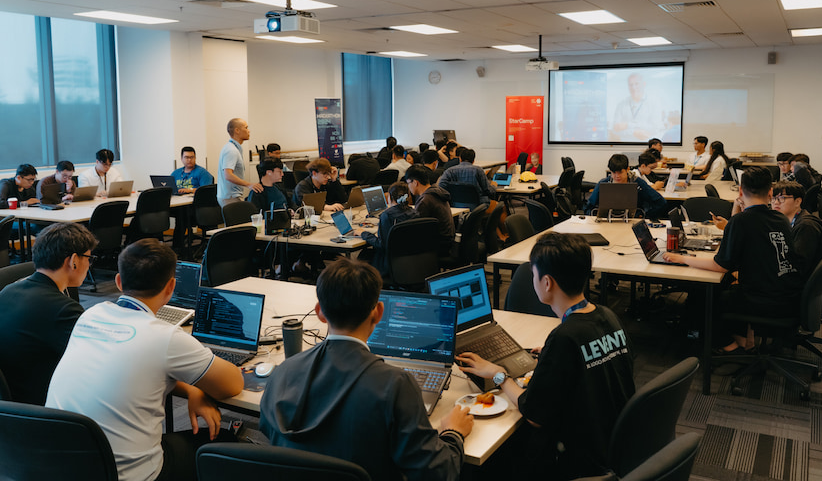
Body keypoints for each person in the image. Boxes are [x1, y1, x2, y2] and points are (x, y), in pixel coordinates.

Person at [259, 257, 473, 481]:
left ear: (320, 312)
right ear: (379, 312)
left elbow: (266, 429)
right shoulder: (396, 384)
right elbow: (439, 474)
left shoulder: (283, 371)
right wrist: (453, 433)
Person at [46, 239, 244, 481]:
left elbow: (138, 373)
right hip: (129, 476)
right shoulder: (166, 337)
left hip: (61, 468)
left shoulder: (90, 315)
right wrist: (197, 387)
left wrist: (192, 390)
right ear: (171, 287)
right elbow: (232, 385)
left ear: (118, 282)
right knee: (223, 441)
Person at [458, 233, 634, 478]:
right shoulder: (607, 316)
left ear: (547, 283)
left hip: (580, 461)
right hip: (615, 445)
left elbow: (534, 415)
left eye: (533, 275)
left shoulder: (564, 337)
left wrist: (499, 375)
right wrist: (552, 357)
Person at [663, 167, 804, 354]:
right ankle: (745, 338)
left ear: (740, 191)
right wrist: (737, 211)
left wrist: (681, 258)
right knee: (726, 284)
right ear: (770, 192)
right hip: (786, 291)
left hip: (763, 299)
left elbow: (720, 265)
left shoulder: (742, 222)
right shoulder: (779, 218)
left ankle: (727, 344)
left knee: (705, 293)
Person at [0, 222, 96, 405]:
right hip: (35, 411)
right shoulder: (62, 309)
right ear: (73, 261)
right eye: (89, 258)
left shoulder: (6, 291)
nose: (89, 264)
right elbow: (94, 361)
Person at [772, 180, 822, 278]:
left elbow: (799, 265)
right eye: (773, 198)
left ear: (797, 201)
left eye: (781, 198)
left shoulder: (806, 226)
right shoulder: (789, 221)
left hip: (801, 282)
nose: (776, 203)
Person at [360, 181, 419, 277]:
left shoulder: (387, 215)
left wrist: (364, 234)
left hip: (389, 264)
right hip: (412, 261)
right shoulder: (414, 212)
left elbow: (381, 244)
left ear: (389, 197)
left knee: (363, 255)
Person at [585, 154, 667, 218]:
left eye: (620, 172)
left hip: (632, 221)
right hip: (607, 221)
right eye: (613, 172)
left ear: (627, 169)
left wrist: (646, 216)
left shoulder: (638, 183)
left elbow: (660, 202)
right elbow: (588, 207)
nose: (617, 176)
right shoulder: (603, 183)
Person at [404, 164, 455, 256]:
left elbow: (416, 229)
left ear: (415, 182)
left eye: (408, 183)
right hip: (447, 241)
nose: (408, 187)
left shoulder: (425, 200)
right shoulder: (436, 191)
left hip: (438, 246)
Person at [218, 118, 262, 206]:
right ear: (237, 130)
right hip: (230, 197)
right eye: (246, 128)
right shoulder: (231, 150)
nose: (248, 131)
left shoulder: (233, 148)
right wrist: (249, 184)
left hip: (232, 196)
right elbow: (228, 175)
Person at [610, 73, 666, 141]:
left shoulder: (654, 103)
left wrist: (627, 125)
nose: (633, 87)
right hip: (625, 145)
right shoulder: (621, 105)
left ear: (644, 84)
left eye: (637, 84)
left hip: (647, 146)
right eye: (631, 85)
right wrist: (633, 132)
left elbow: (656, 127)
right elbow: (615, 129)